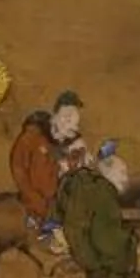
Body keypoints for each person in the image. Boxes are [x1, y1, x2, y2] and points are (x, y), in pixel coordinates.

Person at [52, 140, 140, 278]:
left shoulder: (85, 186)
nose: (125, 179)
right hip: (94, 258)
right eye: (122, 174)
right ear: (108, 173)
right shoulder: (103, 195)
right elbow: (109, 241)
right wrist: (132, 238)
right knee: (126, 271)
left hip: (80, 245)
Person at [11, 91, 85, 245]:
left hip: (58, 210)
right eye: (68, 119)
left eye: (76, 125)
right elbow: (19, 169)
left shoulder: (71, 145)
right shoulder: (33, 137)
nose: (73, 128)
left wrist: (75, 160)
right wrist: (38, 204)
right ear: (58, 116)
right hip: (36, 209)